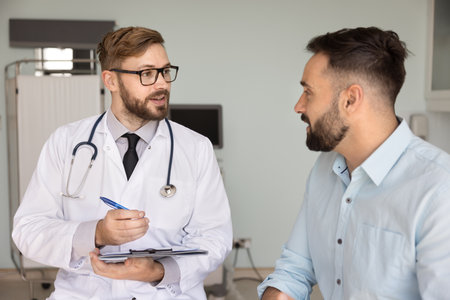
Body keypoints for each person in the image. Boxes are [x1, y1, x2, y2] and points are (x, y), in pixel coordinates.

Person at [12, 26, 232, 299]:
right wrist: (96, 233)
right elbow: (28, 230)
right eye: (146, 74)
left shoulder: (196, 148)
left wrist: (158, 271)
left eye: (165, 71)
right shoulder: (65, 142)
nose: (162, 83)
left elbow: (215, 238)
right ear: (111, 80)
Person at [258, 27, 450, 299]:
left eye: (308, 92)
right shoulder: (325, 169)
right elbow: (295, 270)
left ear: (350, 99)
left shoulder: (439, 191)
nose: (299, 106)